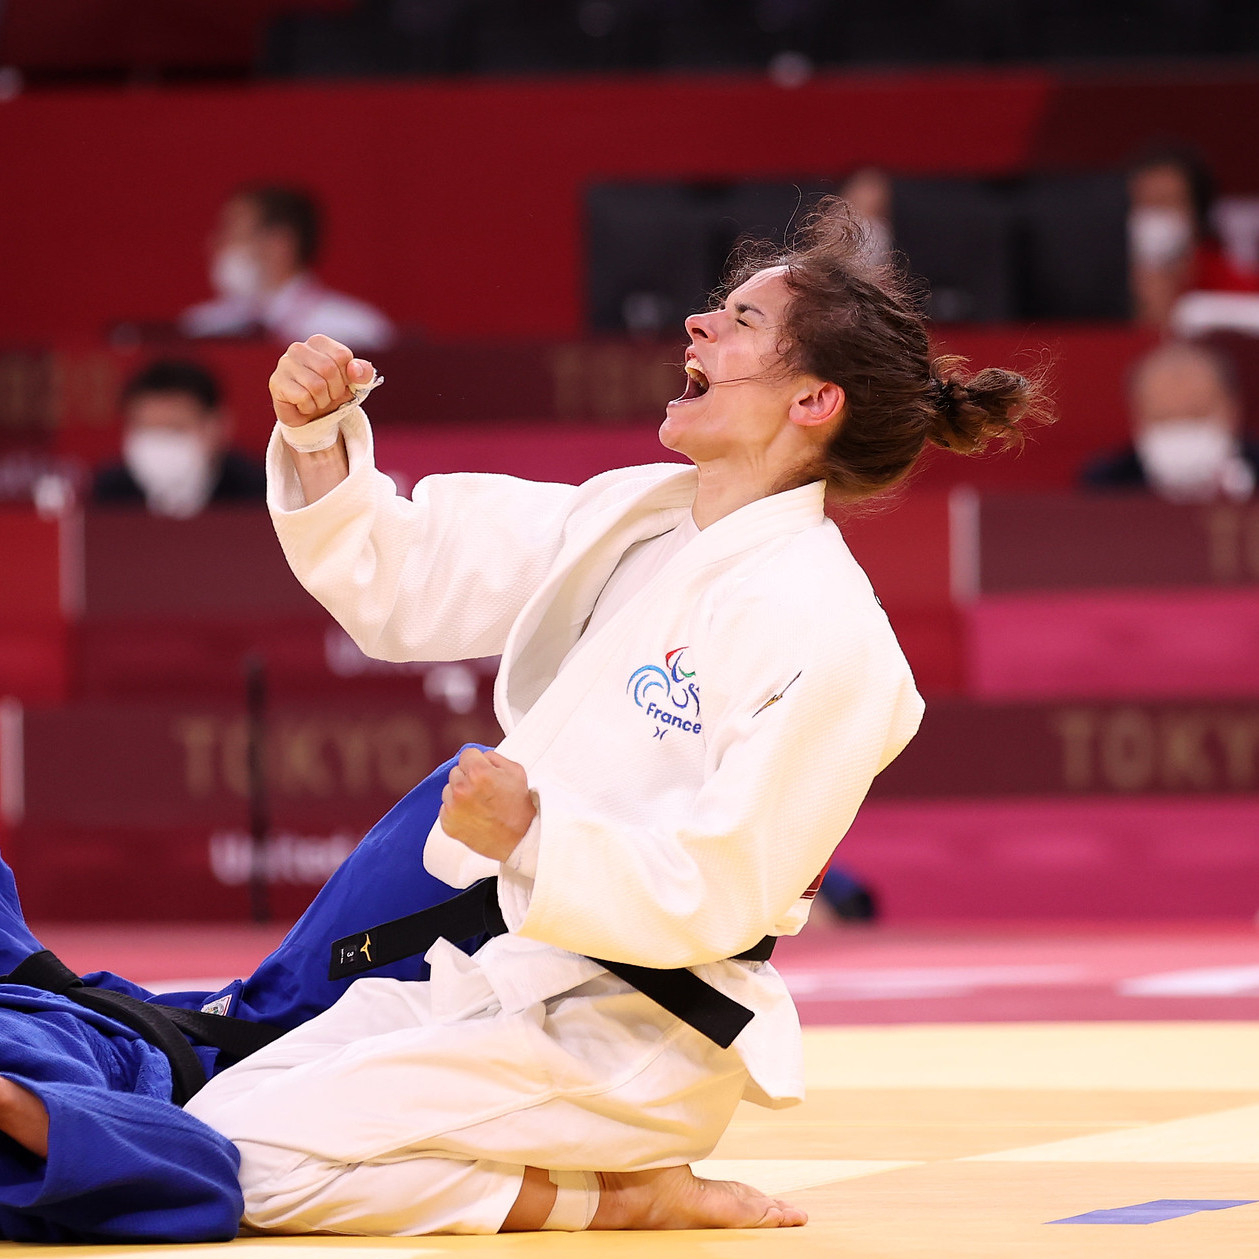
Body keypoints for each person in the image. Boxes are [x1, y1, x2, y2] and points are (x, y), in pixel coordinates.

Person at [186, 199, 1046, 1237]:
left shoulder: (834, 636)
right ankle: (572, 1176)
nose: (697, 324)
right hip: (497, 974)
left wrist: (532, 837)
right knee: (197, 1125)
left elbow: (723, 889)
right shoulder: (637, 515)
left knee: (237, 1168)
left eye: (739, 320)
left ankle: (615, 1195)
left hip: (633, 1031)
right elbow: (407, 582)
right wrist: (317, 435)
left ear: (813, 398)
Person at [0, 759, 467, 1242]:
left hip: (224, 1013)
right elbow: (204, 1171)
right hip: (266, 1058)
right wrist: (11, 1103)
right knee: (469, 815)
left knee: (470, 791)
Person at [180, 185, 395, 352]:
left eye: (232, 232)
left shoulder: (351, 332)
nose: (215, 244)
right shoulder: (203, 328)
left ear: (279, 243)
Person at [1082, 340, 1258, 502]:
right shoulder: (1105, 485)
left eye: (1195, 414)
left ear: (1232, 409)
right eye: (1164, 418)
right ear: (1138, 418)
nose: (1181, 428)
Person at [91, 359, 267, 518]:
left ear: (218, 425)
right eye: (147, 429)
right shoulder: (108, 495)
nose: (160, 443)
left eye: (174, 428)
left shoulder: (259, 494)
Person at [1128, 146, 1259, 329]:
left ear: (1196, 214)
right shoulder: (1102, 283)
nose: (1153, 215)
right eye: (1143, 203)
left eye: (1166, 202)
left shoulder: (1236, 287)